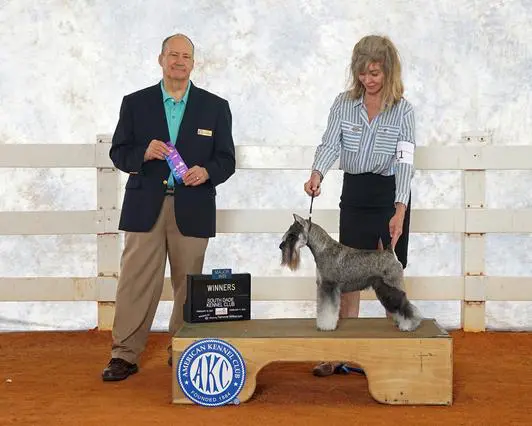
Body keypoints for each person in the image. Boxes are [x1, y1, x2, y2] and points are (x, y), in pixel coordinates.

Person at [102, 33, 236, 381]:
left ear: (194, 63)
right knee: (135, 281)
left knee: (188, 284)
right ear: (161, 59)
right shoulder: (135, 103)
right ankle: (125, 354)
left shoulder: (215, 107)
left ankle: (184, 350)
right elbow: (118, 152)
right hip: (145, 206)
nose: (179, 61)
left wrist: (207, 172)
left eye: (186, 56)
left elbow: (226, 159)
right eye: (173, 55)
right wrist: (141, 154)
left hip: (193, 207)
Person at [303, 35, 415, 377]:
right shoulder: (343, 103)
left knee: (387, 278)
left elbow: (405, 163)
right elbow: (329, 142)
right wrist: (317, 173)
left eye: (376, 73)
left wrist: (400, 210)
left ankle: (392, 354)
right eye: (364, 73)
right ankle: (341, 354)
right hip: (354, 196)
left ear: (389, 72)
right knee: (346, 277)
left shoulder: (403, 110)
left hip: (387, 196)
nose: (369, 80)